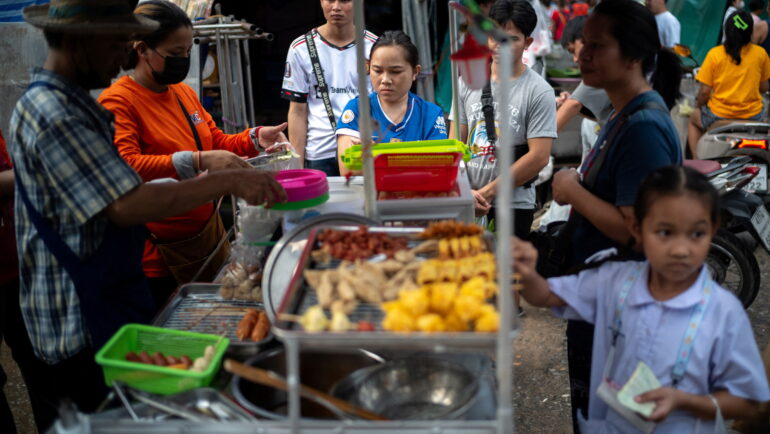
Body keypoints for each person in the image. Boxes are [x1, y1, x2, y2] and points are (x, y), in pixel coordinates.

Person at [8, 1, 286, 430]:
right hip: (78, 317)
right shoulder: (54, 112)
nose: (123, 55)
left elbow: (206, 141)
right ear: (82, 41)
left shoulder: (77, 104)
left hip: (108, 295)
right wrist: (222, 181)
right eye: (118, 44)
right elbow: (125, 204)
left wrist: (246, 143)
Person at [512, 165, 770, 433]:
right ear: (636, 228)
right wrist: (527, 272)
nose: (681, 249)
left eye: (696, 233)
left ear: (713, 229)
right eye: (665, 233)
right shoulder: (615, 282)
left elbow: (749, 402)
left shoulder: (723, 311)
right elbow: (546, 295)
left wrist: (685, 402)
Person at [98, 0, 289, 306]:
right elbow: (126, 165)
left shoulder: (182, 92)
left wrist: (255, 138)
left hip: (206, 235)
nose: (183, 60)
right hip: (158, 253)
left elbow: (211, 140)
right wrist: (198, 161)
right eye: (175, 54)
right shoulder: (119, 101)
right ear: (142, 48)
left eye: (188, 52)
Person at [550, 0, 683, 431]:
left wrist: (572, 191)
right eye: (583, 44)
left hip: (623, 312)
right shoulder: (621, 113)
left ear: (635, 56)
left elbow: (641, 234)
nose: (582, 54)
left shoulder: (643, 128)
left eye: (597, 45)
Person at [449, 0, 556, 239]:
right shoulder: (466, 81)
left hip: (513, 206)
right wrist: (464, 192)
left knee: (507, 273)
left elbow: (538, 156)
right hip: (468, 200)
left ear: (528, 43)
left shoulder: (539, 91)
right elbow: (454, 145)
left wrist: (487, 193)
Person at [282, 0, 377, 176]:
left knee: (364, 203)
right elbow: (297, 111)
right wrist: (297, 165)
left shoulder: (375, 47)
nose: (336, 7)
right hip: (318, 153)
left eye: (345, 1)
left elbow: (386, 103)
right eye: (330, 0)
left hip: (362, 150)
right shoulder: (301, 48)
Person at [336, 31, 447, 175]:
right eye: (377, 70)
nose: (385, 79)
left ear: (415, 72)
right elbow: (347, 170)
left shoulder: (431, 114)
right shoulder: (357, 109)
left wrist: (377, 156)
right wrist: (411, 160)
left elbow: (438, 169)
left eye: (395, 71)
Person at [687, 10, 770, 158]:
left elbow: (704, 92)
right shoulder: (761, 54)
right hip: (754, 117)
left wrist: (699, 106)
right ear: (750, 31)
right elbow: (764, 88)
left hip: (719, 116)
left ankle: (697, 160)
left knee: (693, 118)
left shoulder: (715, 54)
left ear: (726, 30)